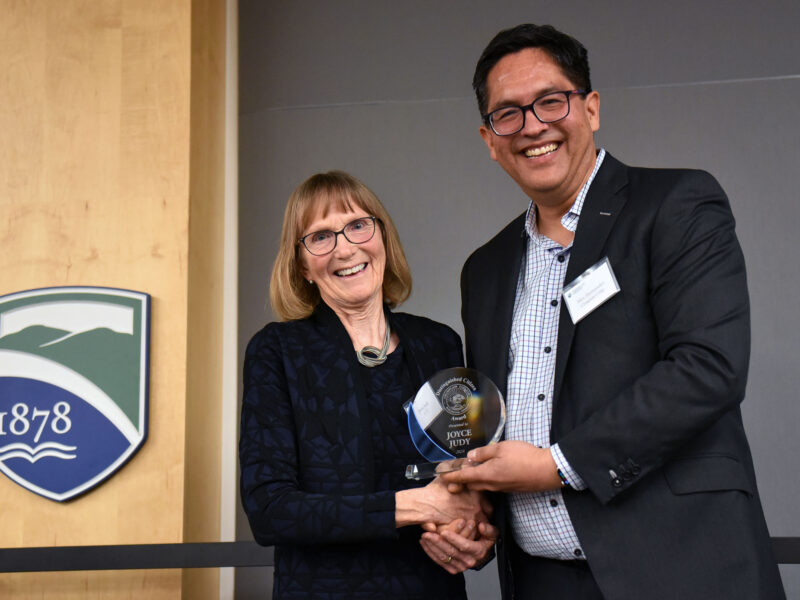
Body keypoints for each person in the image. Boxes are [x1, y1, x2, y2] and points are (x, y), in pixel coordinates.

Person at [422, 23, 786, 600]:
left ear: (590, 109)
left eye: (551, 101)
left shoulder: (676, 206)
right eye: (508, 114)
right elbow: (495, 420)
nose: (533, 125)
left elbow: (707, 368)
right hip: (542, 582)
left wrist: (556, 465)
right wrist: (476, 516)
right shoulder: (485, 268)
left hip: (681, 570)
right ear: (490, 140)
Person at [239, 170, 496, 600]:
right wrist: (417, 506)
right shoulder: (277, 352)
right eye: (320, 236)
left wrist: (477, 532)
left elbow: (468, 478)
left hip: (430, 588)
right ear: (301, 265)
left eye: (358, 225)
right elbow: (270, 512)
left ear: (382, 236)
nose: (345, 247)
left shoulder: (439, 344)